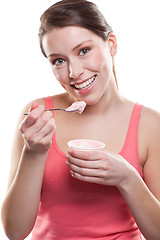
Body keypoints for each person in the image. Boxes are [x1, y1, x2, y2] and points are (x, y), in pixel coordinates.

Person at [1, 0, 160, 239]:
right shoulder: (38, 116)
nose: (74, 73)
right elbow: (14, 231)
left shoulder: (150, 125)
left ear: (111, 44)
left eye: (84, 51)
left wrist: (127, 178)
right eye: (59, 61)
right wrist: (34, 153)